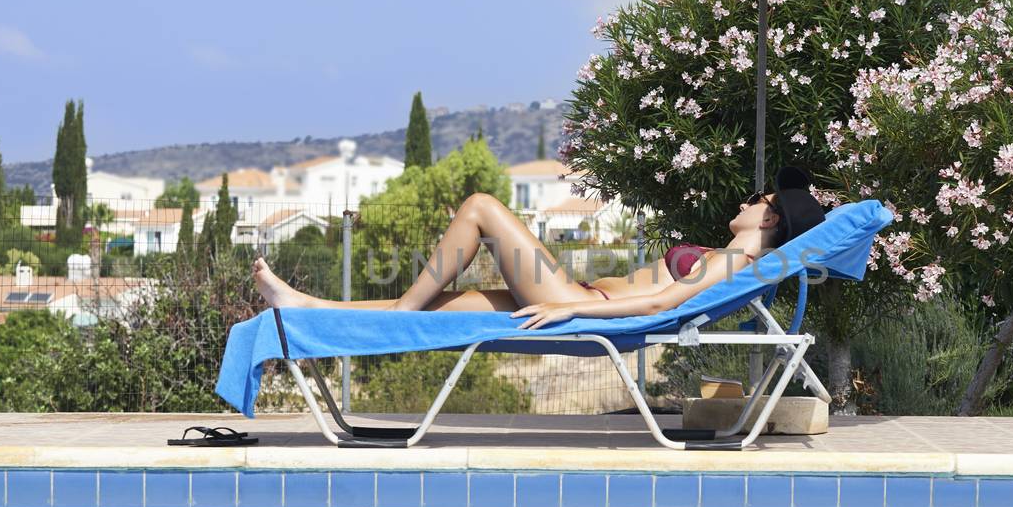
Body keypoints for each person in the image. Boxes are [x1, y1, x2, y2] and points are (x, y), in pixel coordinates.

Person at [251, 167, 828, 330]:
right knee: (439, 305)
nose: (746, 201)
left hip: (577, 299)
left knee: (480, 207)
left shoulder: (738, 258)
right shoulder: (738, 256)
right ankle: (301, 306)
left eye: (757, 197)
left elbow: (659, 305)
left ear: (770, 214)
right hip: (574, 297)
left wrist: (572, 307)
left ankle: (398, 315)